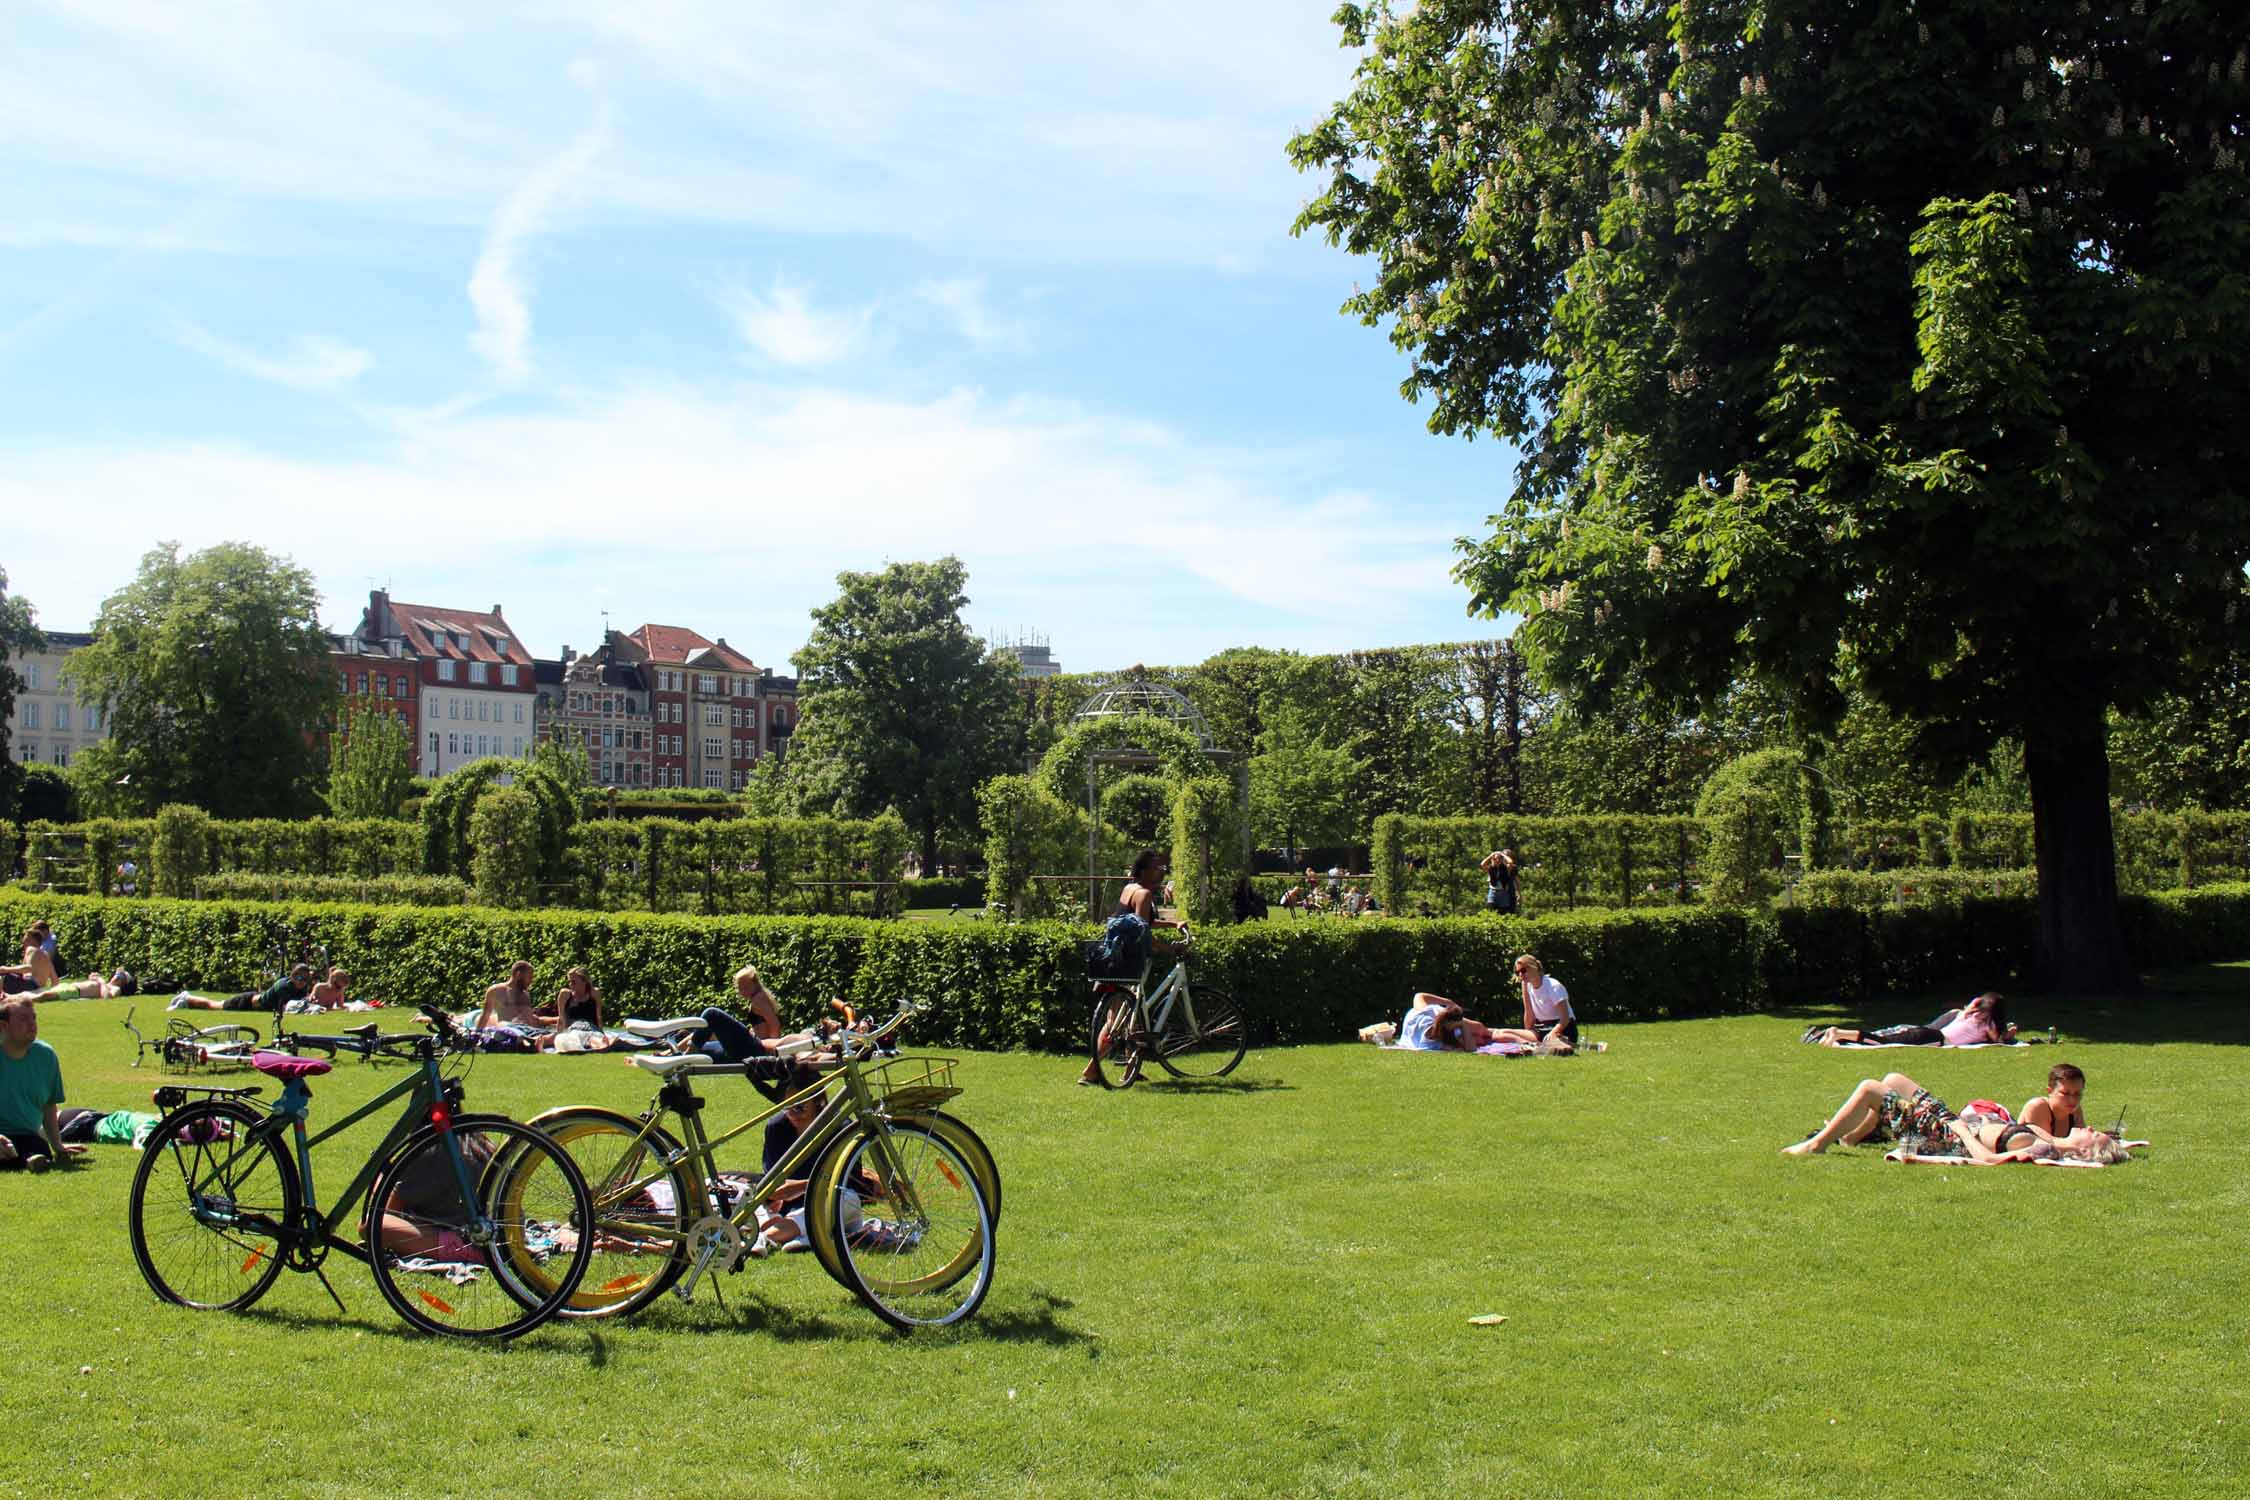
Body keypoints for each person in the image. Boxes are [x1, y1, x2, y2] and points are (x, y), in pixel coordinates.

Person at [1079, 850, 1185, 1086]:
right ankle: (1091, 1071)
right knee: (1117, 1020)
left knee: (1128, 1018)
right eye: (1158, 868)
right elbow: (1142, 932)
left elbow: (1143, 921)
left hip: (1113, 961)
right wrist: (1169, 949)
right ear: (1145, 870)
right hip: (1130, 962)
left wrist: (1173, 923)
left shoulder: (1130, 888)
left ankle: (1131, 1069)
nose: (1161, 872)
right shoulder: (1145, 894)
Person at [0, 998, 84, 1172]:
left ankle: (27, 1159)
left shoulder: (45, 1056)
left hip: (27, 1134)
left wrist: (58, 1145)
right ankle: (26, 1161)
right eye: (23, 1019)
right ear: (4, 1026)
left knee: (39, 1147)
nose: (31, 1024)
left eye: (33, 1018)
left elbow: (48, 1105)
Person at [1807, 992, 2015, 1048]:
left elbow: (1971, 1005)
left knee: (1884, 1038)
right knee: (1884, 1043)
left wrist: (1974, 1004)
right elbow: (1997, 1042)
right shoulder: (1988, 1023)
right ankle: (1839, 1033)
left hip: (1925, 1030)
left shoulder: (1967, 1014)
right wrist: (2009, 1035)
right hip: (1934, 1037)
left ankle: (1839, 1037)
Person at [170, 962, 313, 1013]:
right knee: (214, 1005)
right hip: (247, 1003)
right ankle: (186, 999)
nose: (302, 982)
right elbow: (286, 1008)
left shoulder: (300, 988)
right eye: (300, 978)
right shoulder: (283, 986)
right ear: (293, 976)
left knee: (214, 1005)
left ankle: (187, 999)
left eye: (305, 979)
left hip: (257, 1004)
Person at [474, 961, 551, 1050]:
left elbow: (530, 1019)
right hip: (510, 1031)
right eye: (529, 977)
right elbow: (486, 1014)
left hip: (528, 1030)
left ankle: (535, 1042)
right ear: (518, 974)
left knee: (554, 1035)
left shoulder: (525, 995)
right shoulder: (496, 990)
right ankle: (531, 1043)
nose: (531, 981)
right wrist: (476, 1034)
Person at [1513, 954, 1576, 1051]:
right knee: (1504, 1033)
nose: (1520, 975)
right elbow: (1529, 1013)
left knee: (1551, 1043)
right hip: (1543, 1028)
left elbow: (1565, 1019)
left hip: (1562, 1028)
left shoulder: (1553, 986)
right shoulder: (1526, 985)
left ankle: (1562, 1046)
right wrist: (1528, 1033)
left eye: (1523, 970)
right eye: (1518, 972)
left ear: (1534, 968)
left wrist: (1553, 1033)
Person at [1, 925, 62, 995]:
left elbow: (28, 968)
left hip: (30, 985)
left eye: (25, 938)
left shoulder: (31, 949)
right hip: (38, 988)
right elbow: (55, 980)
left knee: (4, 975)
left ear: (32, 939)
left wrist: (6, 969)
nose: (23, 941)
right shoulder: (45, 955)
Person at [26, 969, 136, 1003]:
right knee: (36, 992)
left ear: (124, 982)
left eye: (121, 976)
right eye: (117, 973)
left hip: (74, 991)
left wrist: (101, 982)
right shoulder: (106, 984)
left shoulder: (116, 988)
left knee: (44, 995)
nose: (117, 976)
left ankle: (17, 1001)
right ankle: (11, 998)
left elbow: (107, 998)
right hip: (70, 987)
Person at [1480, 849, 1520, 914]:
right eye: (1495, 859)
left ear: (1502, 860)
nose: (1497, 860)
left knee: (1503, 912)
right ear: (1493, 860)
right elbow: (1482, 864)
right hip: (1493, 892)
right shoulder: (1490, 868)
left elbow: (1510, 862)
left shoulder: (1506, 868)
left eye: (1499, 859)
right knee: (1491, 911)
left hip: (1503, 892)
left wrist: (1502, 855)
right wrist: (1491, 855)